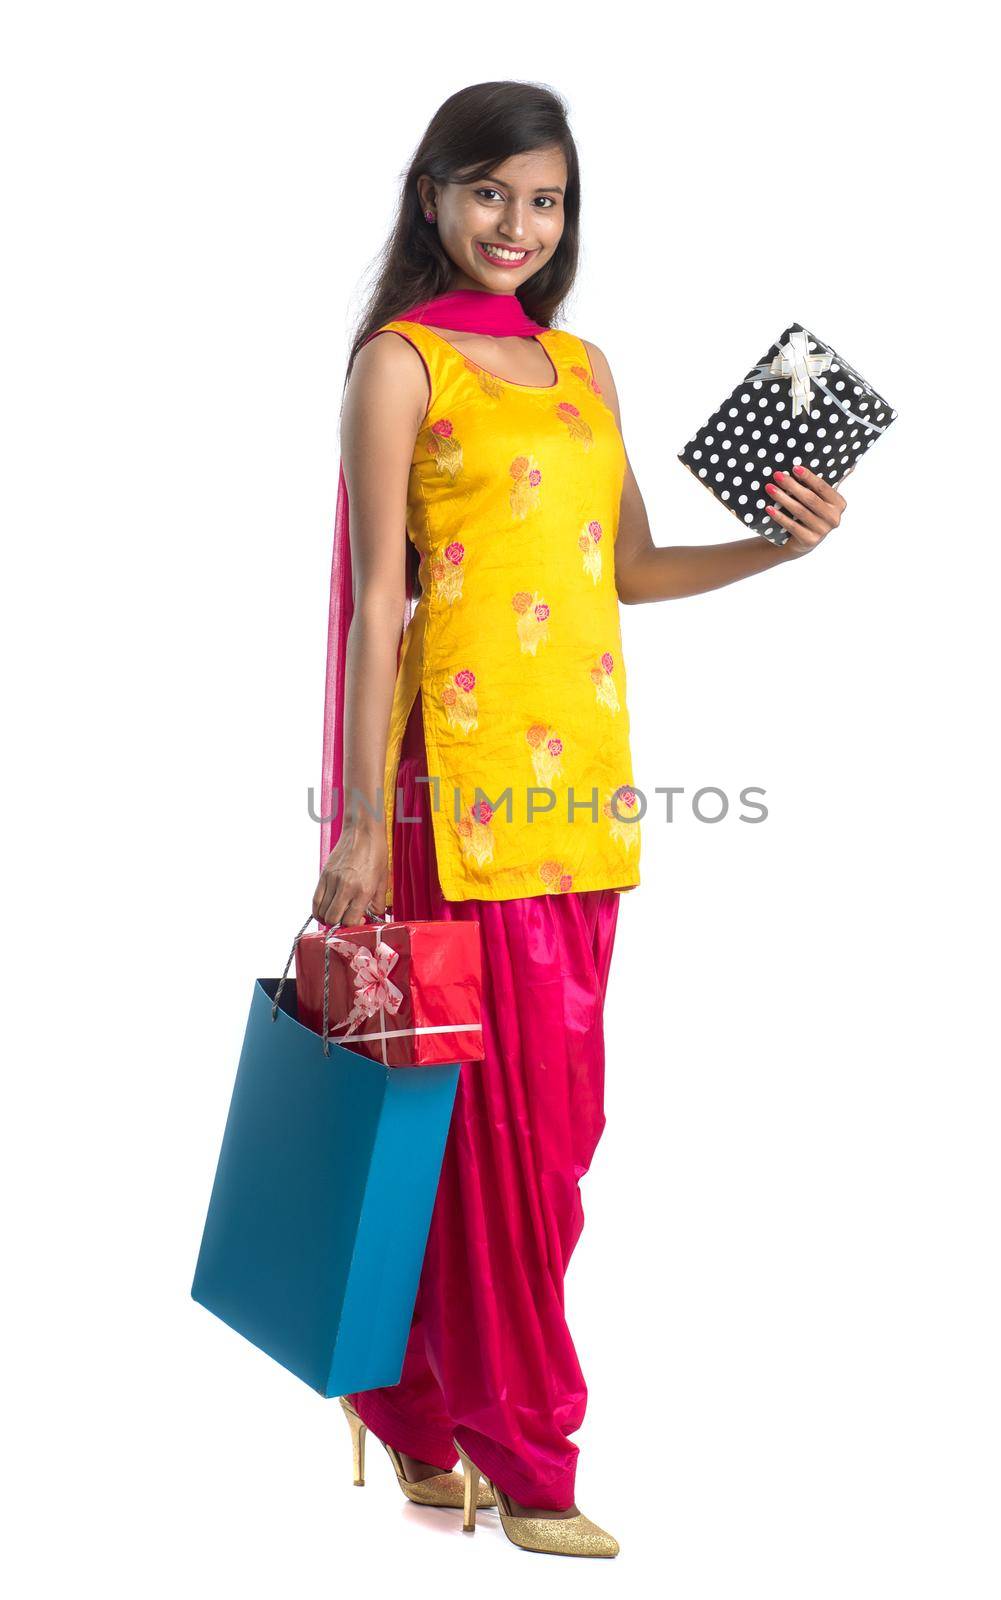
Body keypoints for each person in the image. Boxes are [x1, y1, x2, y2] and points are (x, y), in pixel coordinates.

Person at [311, 80, 850, 1560]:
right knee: (469, 1127)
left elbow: (628, 574)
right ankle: (524, 1451)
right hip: (446, 801)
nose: (516, 225)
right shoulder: (402, 365)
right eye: (490, 193)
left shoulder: (587, 369)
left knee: (550, 1140)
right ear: (434, 197)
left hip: (580, 803)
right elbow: (377, 607)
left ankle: (413, 1406)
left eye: (543, 201)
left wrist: (771, 551)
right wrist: (362, 820)